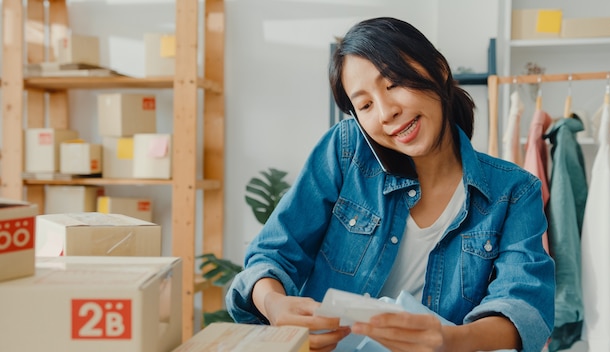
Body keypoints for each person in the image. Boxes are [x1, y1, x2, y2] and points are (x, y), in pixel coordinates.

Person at [226, 17, 555, 352]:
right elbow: (273, 254)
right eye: (365, 105)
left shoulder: (513, 191)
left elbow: (524, 307)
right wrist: (275, 305)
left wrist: (450, 340)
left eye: (394, 83)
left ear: (439, 70)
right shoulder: (346, 151)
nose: (385, 113)